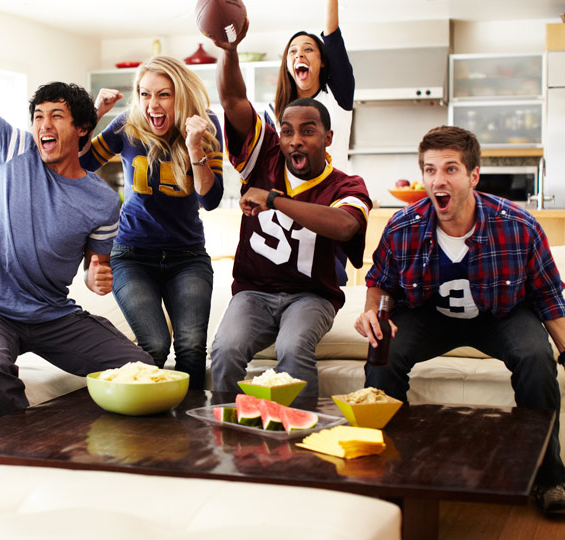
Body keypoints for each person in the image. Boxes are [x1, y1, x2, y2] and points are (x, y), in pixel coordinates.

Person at [0, 5, 154, 420]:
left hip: (51, 314)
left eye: (56, 116)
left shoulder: (102, 201)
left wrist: (98, 278)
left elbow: (95, 271)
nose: (44, 124)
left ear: (82, 128)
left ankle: (92, 445)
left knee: (141, 368)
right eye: (39, 116)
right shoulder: (14, 149)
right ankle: (27, 456)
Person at [354, 125, 565, 515]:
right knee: (383, 354)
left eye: (450, 169)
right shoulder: (404, 226)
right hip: (429, 314)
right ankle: (383, 471)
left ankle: (550, 476)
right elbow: (380, 282)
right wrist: (374, 313)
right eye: (430, 170)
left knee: (536, 358)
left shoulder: (519, 226)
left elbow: (550, 299)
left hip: (501, 314)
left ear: (473, 176)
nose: (438, 179)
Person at [208, 23, 371, 398]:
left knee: (292, 348)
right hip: (253, 292)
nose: (295, 140)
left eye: (308, 131)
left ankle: (301, 440)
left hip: (312, 295)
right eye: (286, 131)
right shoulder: (264, 155)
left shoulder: (347, 185)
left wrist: (273, 199)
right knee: (225, 348)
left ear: (328, 139)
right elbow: (233, 101)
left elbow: (346, 226)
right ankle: (225, 436)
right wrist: (229, 50)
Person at [79, 56, 224, 389]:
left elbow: (211, 199)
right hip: (131, 254)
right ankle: (145, 428)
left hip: (187, 257)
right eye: (145, 94)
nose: (152, 105)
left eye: (163, 95)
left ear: (181, 95)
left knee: (190, 347)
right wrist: (96, 114)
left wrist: (194, 147)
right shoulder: (128, 124)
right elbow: (84, 162)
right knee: (155, 345)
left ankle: (188, 431)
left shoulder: (206, 125)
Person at [265, 0, 354, 174]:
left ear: (322, 62)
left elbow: (332, 36)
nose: (299, 54)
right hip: (292, 198)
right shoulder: (273, 110)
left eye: (308, 49)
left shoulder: (337, 96)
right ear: (287, 66)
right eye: (293, 51)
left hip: (333, 197)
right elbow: (270, 164)